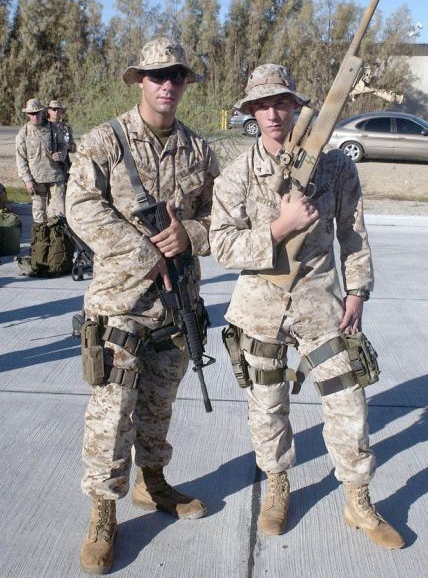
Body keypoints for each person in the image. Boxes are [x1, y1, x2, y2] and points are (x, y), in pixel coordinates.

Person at [209, 64, 404, 549]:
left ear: (296, 107)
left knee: (348, 404)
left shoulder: (336, 166)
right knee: (267, 407)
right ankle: (277, 485)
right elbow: (221, 246)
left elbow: (353, 233)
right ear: (251, 113)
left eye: (281, 103)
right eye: (262, 106)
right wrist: (278, 229)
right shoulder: (235, 176)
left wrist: (358, 290)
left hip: (322, 307)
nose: (272, 114)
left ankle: (358, 498)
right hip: (259, 310)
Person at [66, 37, 219, 574]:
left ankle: (152, 484)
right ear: (139, 81)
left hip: (177, 305)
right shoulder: (106, 140)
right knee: (112, 412)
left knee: (158, 404)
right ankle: (103, 512)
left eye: (176, 75)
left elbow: (223, 220)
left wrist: (191, 236)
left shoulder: (200, 150)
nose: (167, 84)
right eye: (156, 75)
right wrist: (145, 254)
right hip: (120, 303)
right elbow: (80, 207)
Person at [16, 98, 67, 223]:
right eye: (32, 114)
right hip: (36, 180)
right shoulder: (23, 133)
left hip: (55, 178)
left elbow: (63, 145)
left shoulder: (53, 128)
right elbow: (21, 159)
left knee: (58, 215)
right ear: (28, 115)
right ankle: (43, 241)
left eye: (37, 113)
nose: (35, 116)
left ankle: (57, 241)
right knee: (39, 215)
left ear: (42, 112)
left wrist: (61, 154)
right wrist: (27, 180)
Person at [47, 99, 77, 170]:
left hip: (64, 164)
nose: (56, 112)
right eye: (54, 109)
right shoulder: (44, 127)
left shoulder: (66, 127)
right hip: (49, 165)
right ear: (49, 111)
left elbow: (74, 147)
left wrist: (70, 147)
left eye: (59, 109)